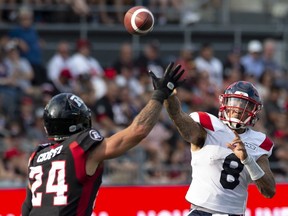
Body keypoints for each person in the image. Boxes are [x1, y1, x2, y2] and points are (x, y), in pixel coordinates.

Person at [21, 62, 184, 216]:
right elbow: (138, 130)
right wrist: (160, 94)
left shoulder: (36, 156)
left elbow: (27, 208)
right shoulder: (79, 147)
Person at [162, 80, 276, 215]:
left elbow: (269, 191)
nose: (238, 108)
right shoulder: (209, 126)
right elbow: (178, 116)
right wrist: (169, 96)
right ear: (225, 103)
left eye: (246, 104)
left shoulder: (259, 141)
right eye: (235, 102)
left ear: (254, 111)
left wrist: (248, 160)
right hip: (200, 211)